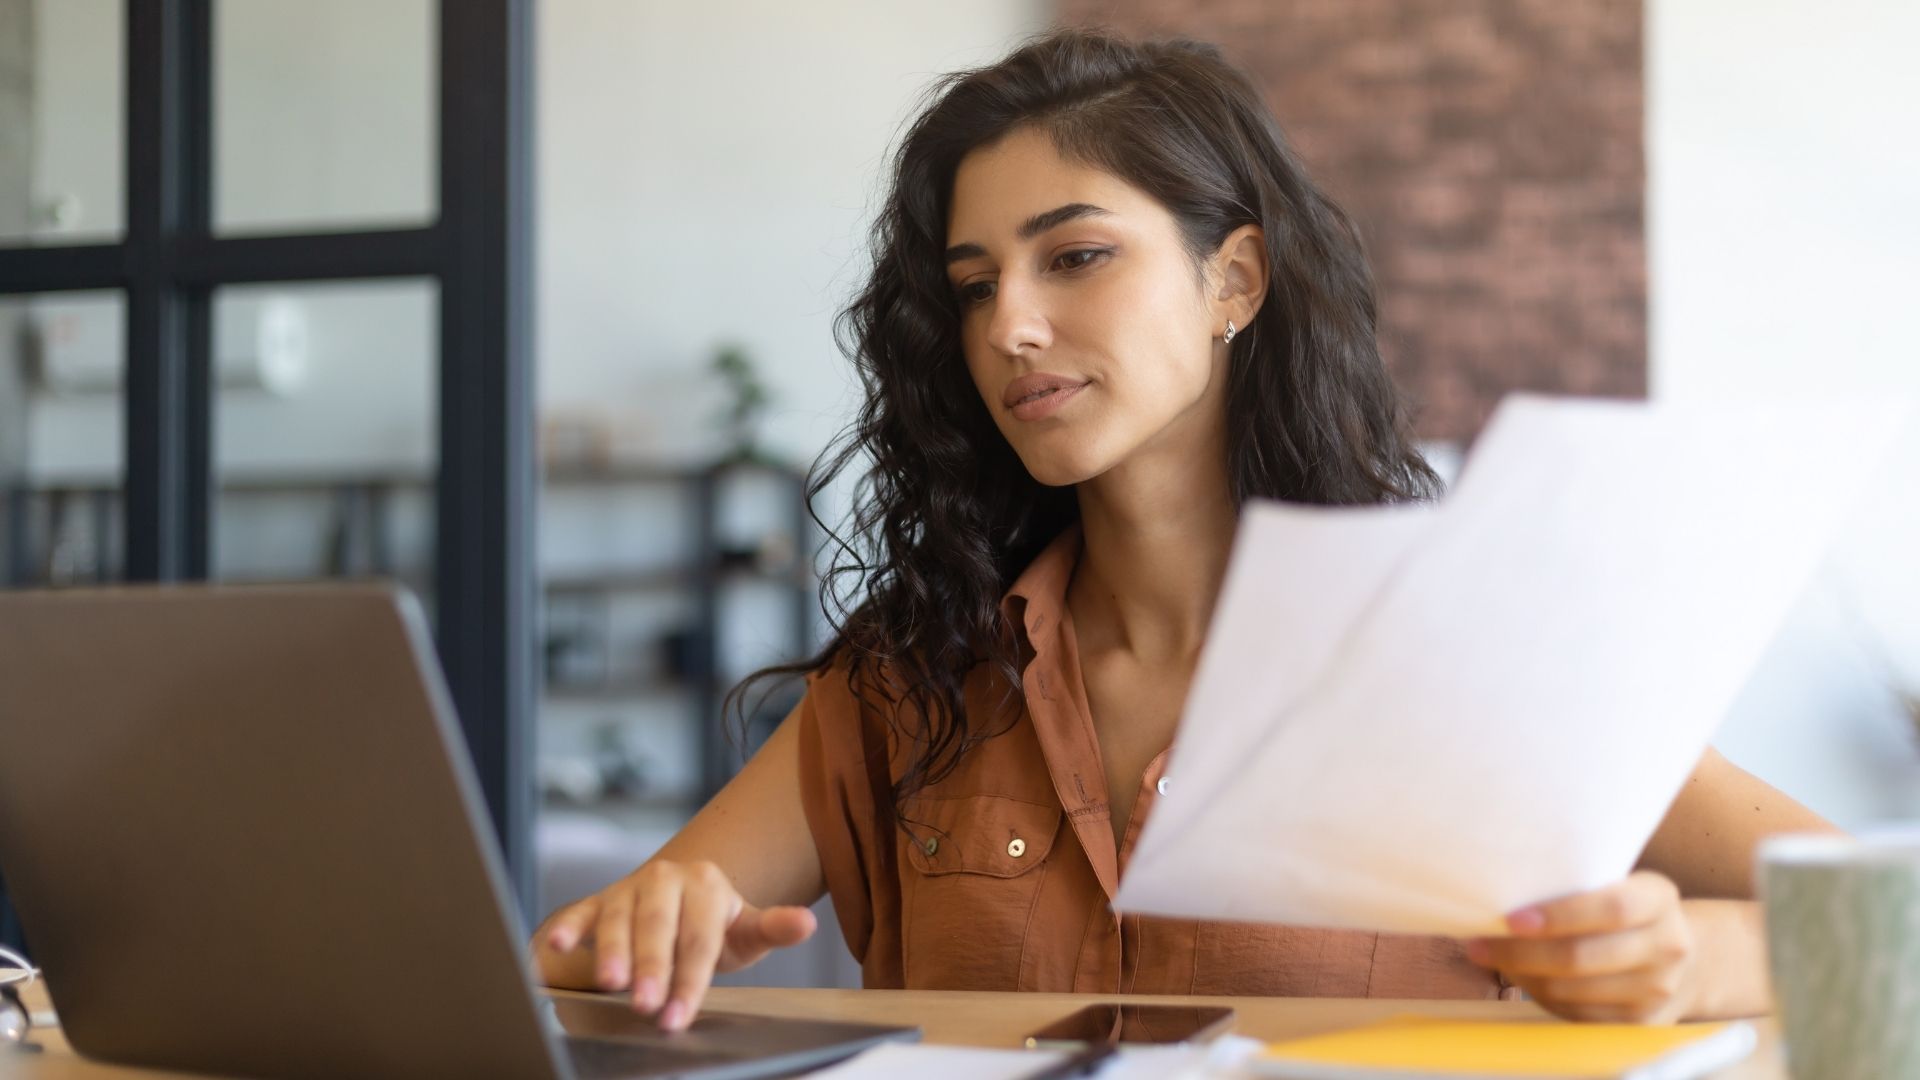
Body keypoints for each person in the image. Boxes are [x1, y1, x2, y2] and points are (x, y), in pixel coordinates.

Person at [533, 29, 1830, 1031]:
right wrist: (641, 928)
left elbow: (1880, 915)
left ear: (1234, 280)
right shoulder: (909, 674)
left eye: (1076, 256)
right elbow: (584, 960)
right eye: (974, 286)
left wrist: (1692, 956)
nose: (1009, 328)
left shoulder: (1460, 650)